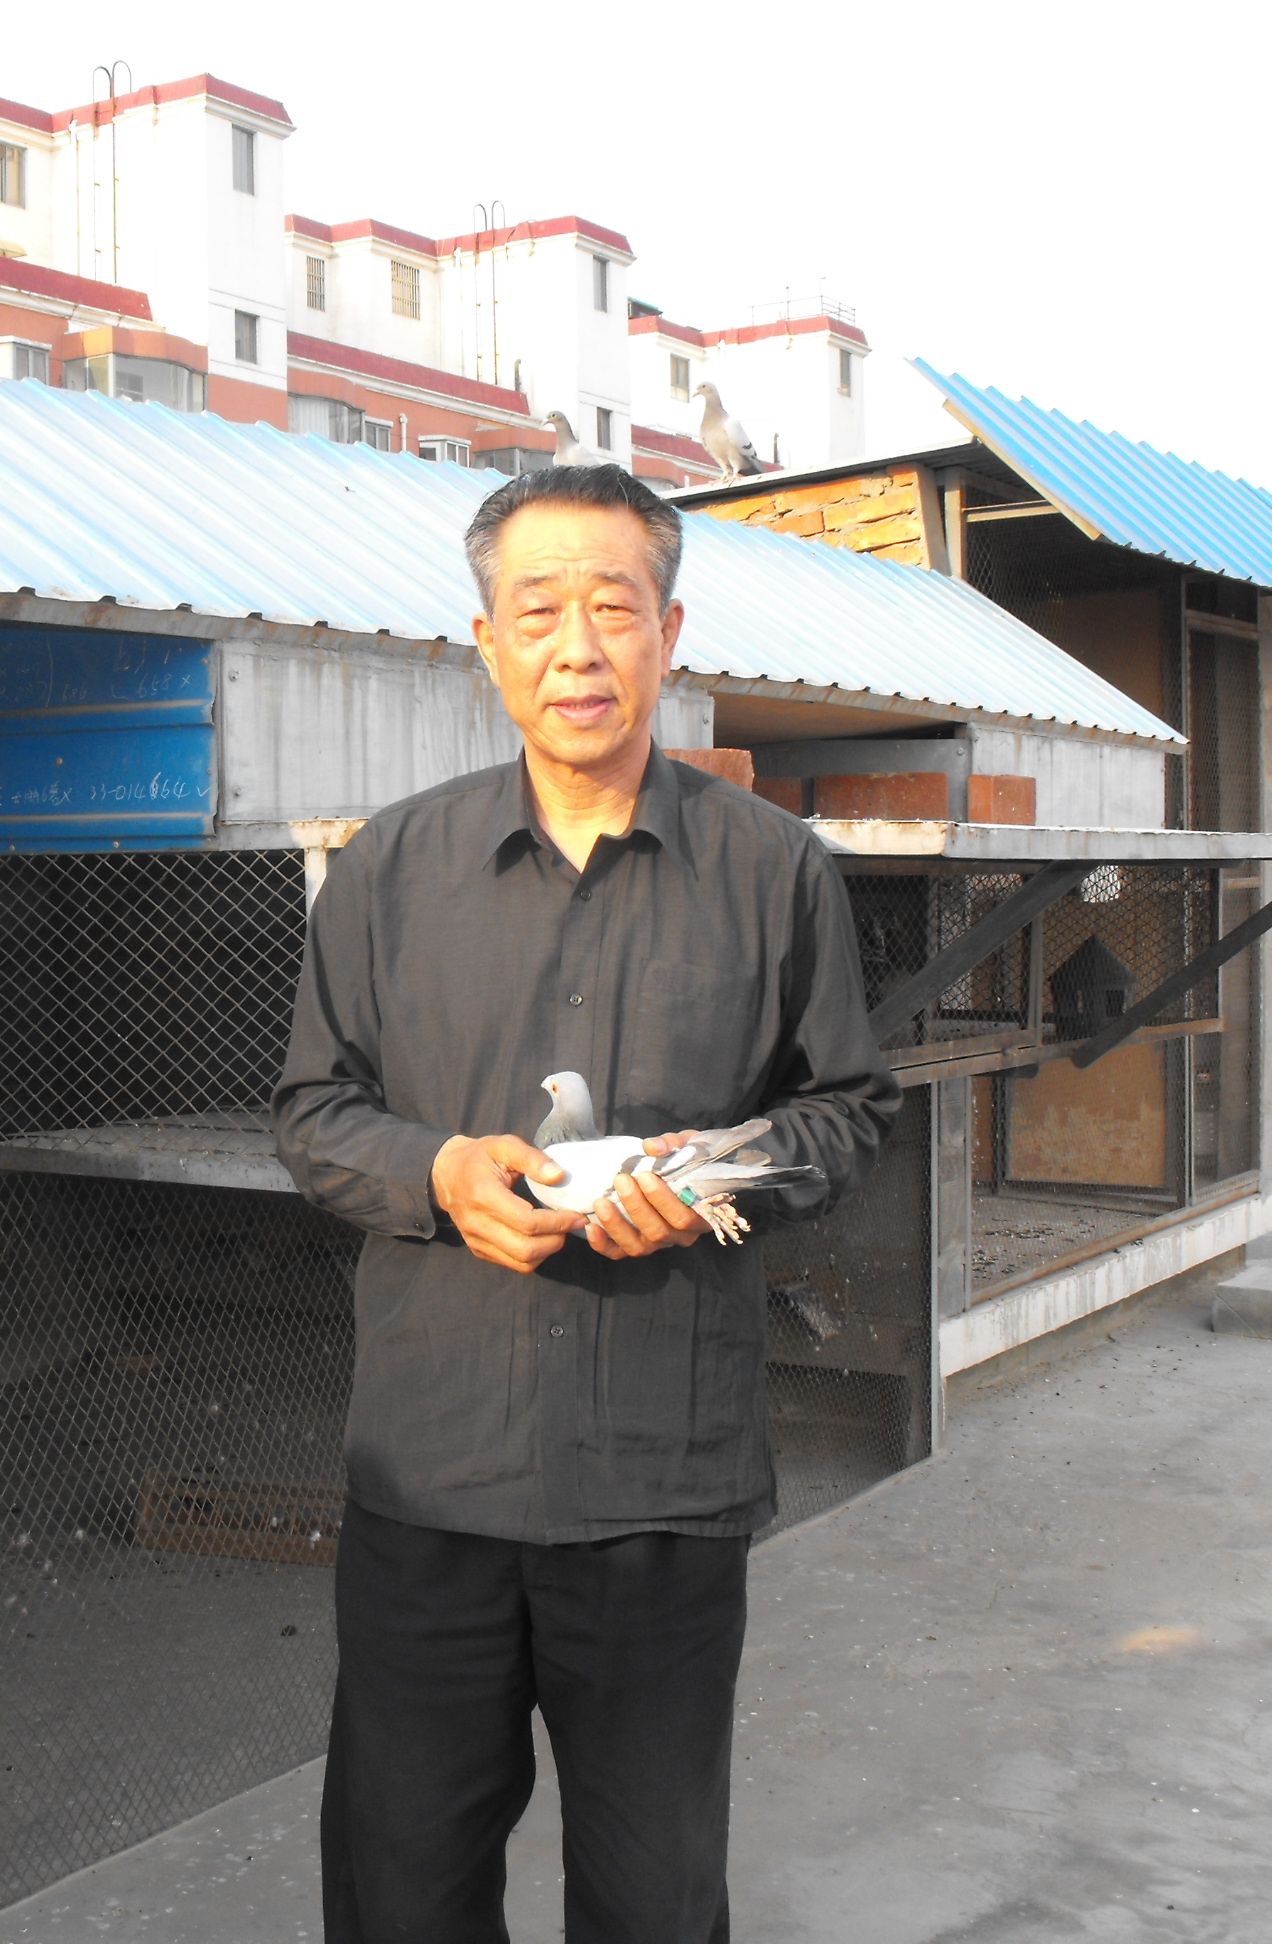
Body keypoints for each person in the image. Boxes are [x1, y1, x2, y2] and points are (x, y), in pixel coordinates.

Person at [272, 464, 901, 1941]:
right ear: (485, 643)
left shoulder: (771, 870)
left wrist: (713, 1176)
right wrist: (438, 1173)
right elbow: (313, 1112)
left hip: (658, 1480)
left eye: (613, 609)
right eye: (538, 610)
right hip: (435, 1474)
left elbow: (848, 1109)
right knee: (403, 1883)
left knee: (653, 1894)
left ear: (668, 636)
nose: (577, 648)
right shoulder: (389, 871)